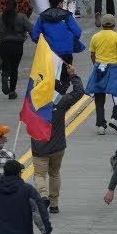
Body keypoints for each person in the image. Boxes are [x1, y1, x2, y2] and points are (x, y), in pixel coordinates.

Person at [30, 57, 81, 214]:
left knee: (39, 174)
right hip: (58, 146)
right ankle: (54, 204)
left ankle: (43, 195)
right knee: (54, 173)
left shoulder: (33, 102)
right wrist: (73, 75)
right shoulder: (61, 102)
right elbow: (79, 92)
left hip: (39, 147)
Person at [87, 15, 117, 135]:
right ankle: (116, 118)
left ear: (102, 25)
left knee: (99, 97)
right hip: (113, 69)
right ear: (114, 25)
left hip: (99, 68)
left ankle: (100, 125)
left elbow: (92, 54)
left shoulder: (95, 37)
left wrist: (96, 65)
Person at [0, 0, 32, 99]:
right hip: (17, 46)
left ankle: (4, 77)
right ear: (17, 7)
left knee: (6, 66)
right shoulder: (22, 17)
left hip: (3, 45)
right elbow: (31, 29)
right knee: (14, 69)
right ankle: (12, 91)